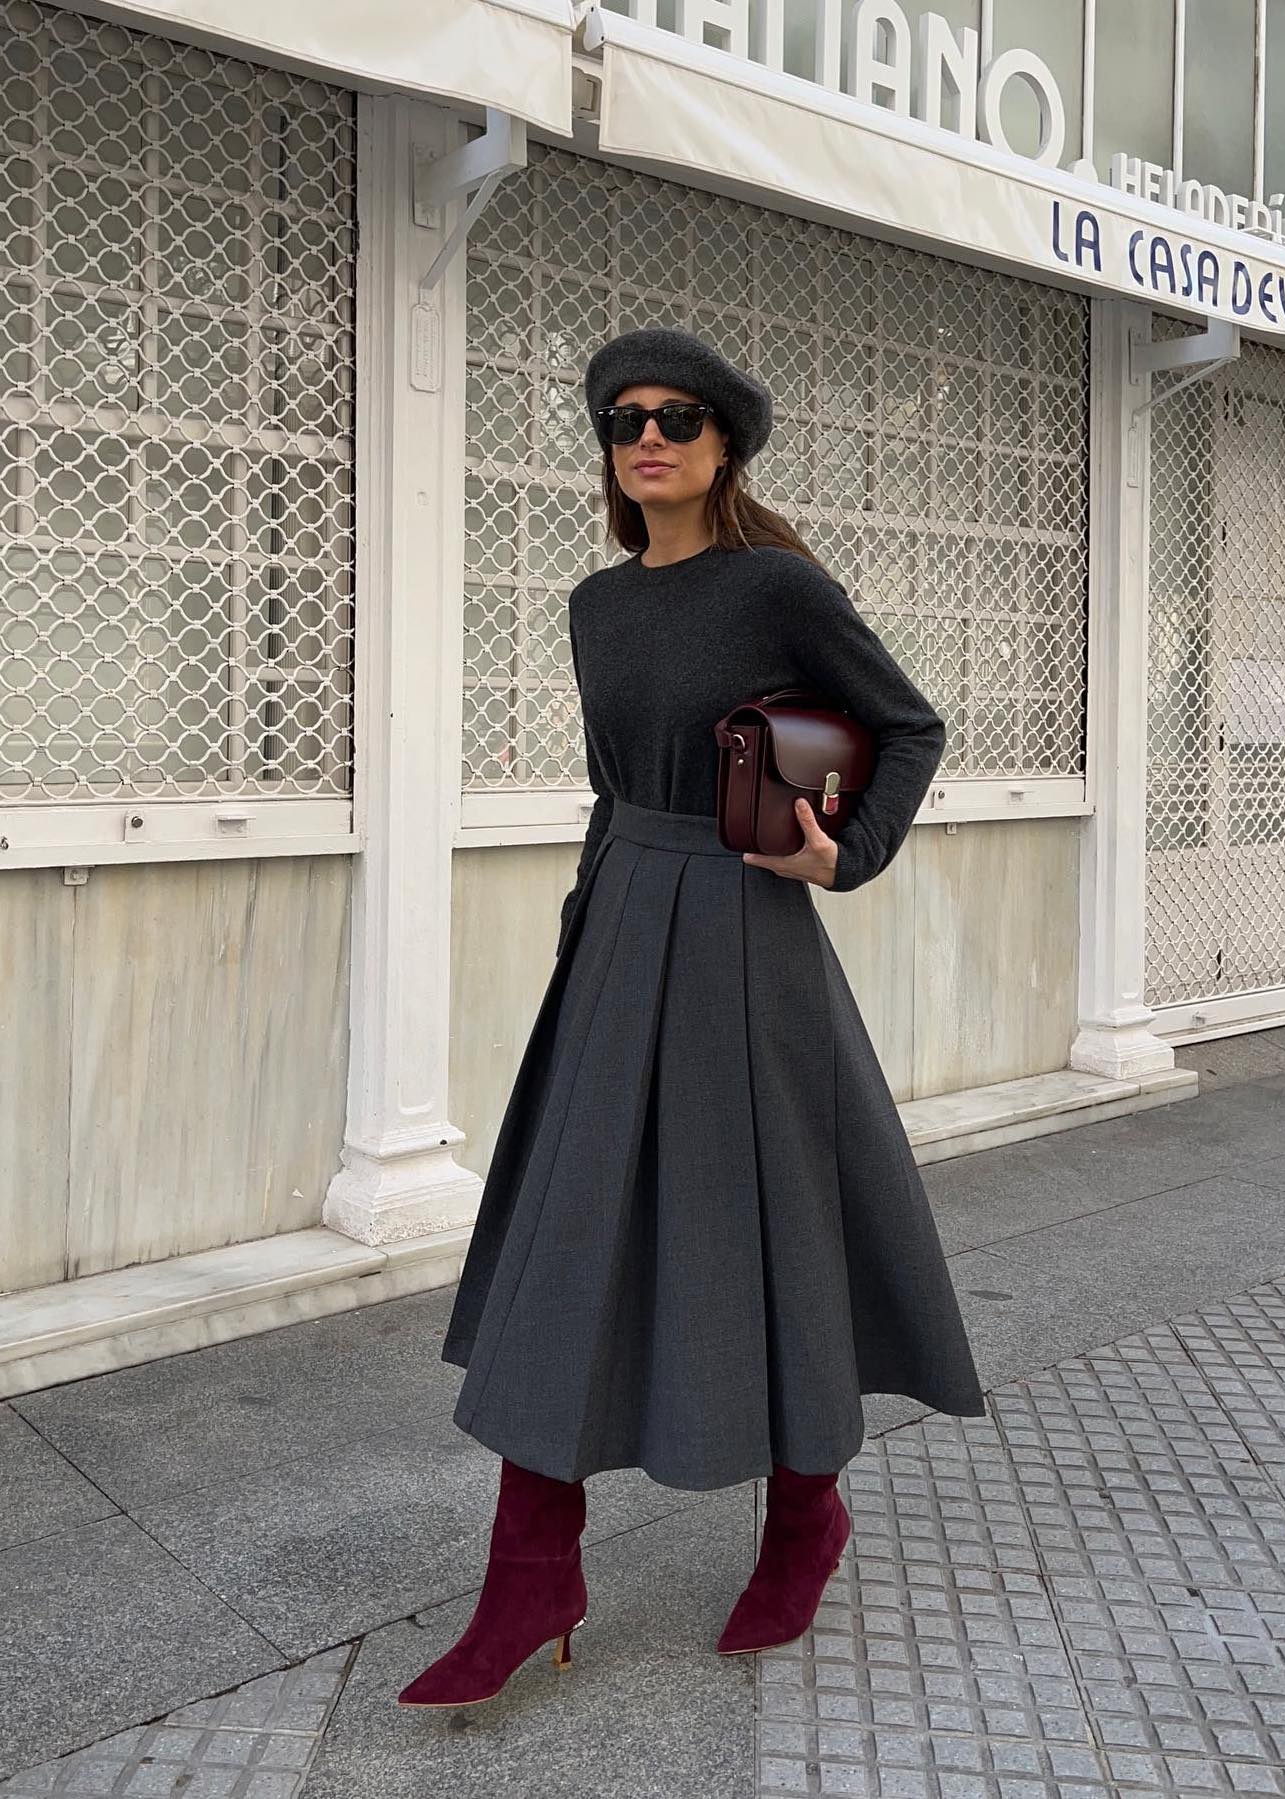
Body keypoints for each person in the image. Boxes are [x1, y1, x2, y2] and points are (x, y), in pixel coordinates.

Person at [398, 326, 985, 1711]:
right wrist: (594, 920)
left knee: (778, 1227)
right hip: (618, 926)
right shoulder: (596, 605)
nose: (645, 436)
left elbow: (905, 727)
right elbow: (617, 783)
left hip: (740, 935)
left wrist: (849, 854)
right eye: (622, 421)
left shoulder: (774, 584)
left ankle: (803, 1520)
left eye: (675, 417)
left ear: (724, 442)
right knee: (568, 1241)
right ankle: (531, 1569)